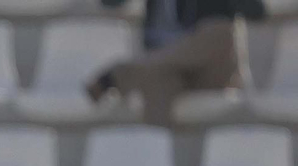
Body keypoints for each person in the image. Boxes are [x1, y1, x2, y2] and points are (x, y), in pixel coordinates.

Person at [86, 0, 265, 125]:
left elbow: (257, 11)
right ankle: (155, 163)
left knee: (220, 31)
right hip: (168, 70)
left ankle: (123, 72)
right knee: (157, 78)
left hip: (210, 72)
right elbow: (109, 3)